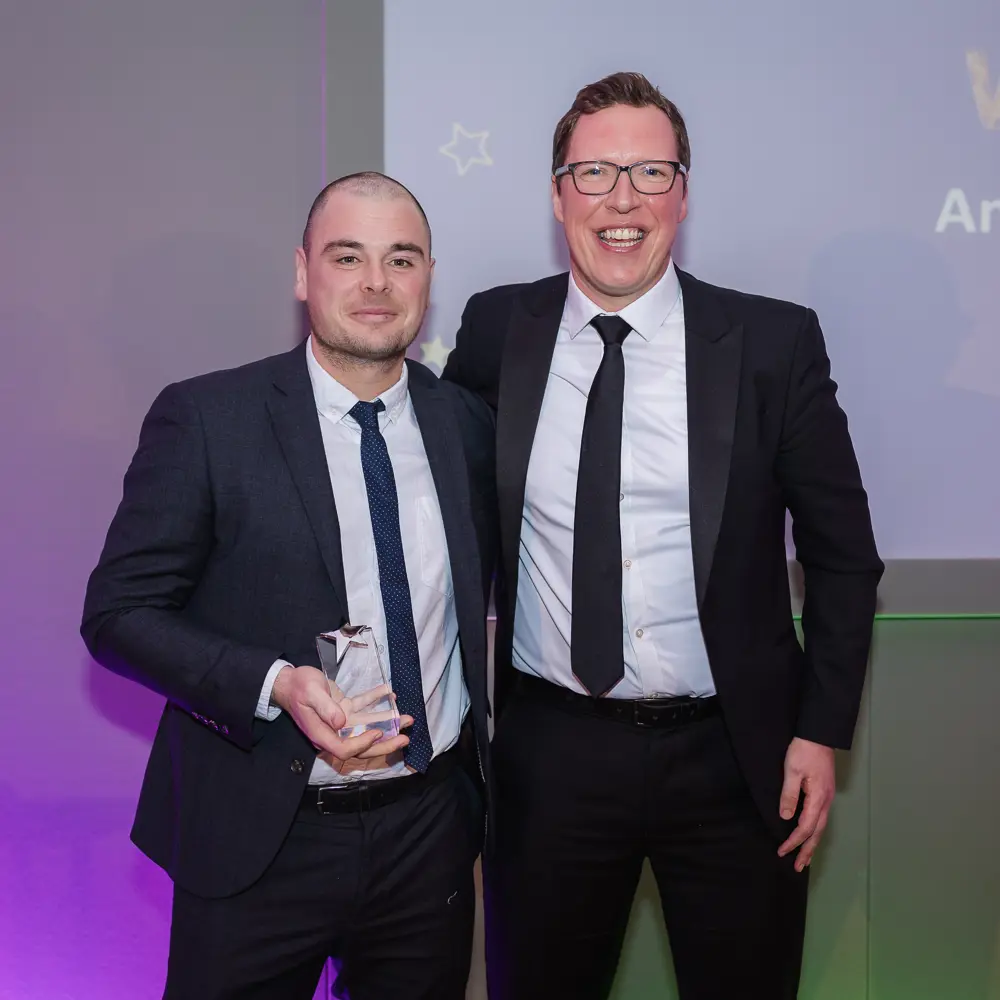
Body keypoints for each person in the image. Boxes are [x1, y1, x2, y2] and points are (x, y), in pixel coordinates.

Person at [443, 72, 883, 1000]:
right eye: (595, 173)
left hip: (736, 755)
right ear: (557, 193)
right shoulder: (495, 331)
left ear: (684, 191)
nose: (623, 200)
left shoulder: (771, 343)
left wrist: (819, 730)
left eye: (651, 171)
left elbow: (845, 555)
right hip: (552, 755)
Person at [82, 171, 496, 1000]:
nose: (377, 283)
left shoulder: (465, 426)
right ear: (303, 273)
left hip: (429, 834)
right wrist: (273, 683)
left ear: (428, 279)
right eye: (349, 256)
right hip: (260, 836)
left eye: (401, 259)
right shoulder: (208, 420)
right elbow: (119, 612)